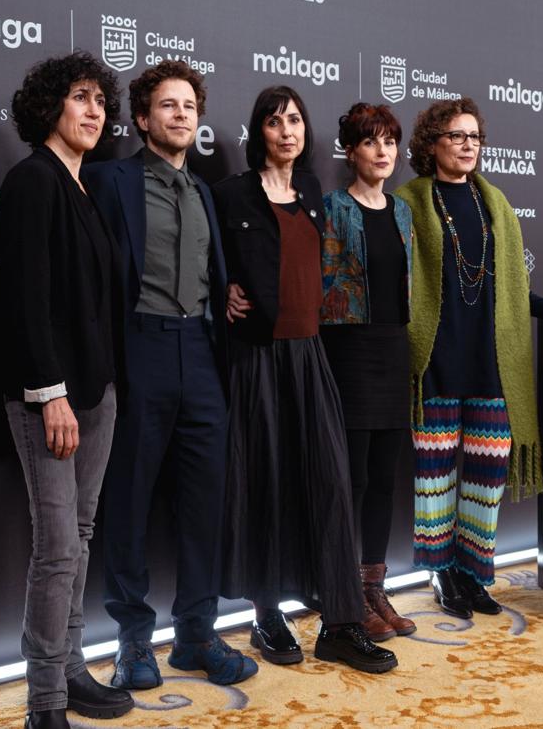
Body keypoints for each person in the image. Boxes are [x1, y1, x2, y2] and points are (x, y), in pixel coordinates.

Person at [394, 97, 543, 620]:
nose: (468, 145)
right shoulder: (409, 202)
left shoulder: (497, 206)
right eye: (456, 136)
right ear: (431, 145)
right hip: (435, 361)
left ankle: (473, 572)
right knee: (435, 477)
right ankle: (443, 574)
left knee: (486, 478)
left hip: (492, 362)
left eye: (475, 137)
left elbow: (515, 289)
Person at [82, 60, 258, 690]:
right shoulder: (108, 179)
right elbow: (55, 210)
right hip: (140, 351)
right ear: (140, 118)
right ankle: (133, 640)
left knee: (204, 503)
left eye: (189, 105)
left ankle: (196, 635)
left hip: (204, 357)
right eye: (167, 105)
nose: (181, 114)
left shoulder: (206, 191)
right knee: (127, 501)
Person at [213, 86, 397, 674]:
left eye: (294, 120)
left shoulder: (314, 192)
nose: (286, 131)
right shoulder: (229, 194)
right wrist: (223, 290)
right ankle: (267, 615)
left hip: (311, 356)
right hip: (257, 360)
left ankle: (341, 625)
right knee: (267, 483)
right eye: (273, 121)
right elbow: (206, 260)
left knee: (332, 487)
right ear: (258, 131)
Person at [0, 52, 133, 729]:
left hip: (96, 392)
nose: (95, 109)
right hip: (53, 397)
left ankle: (71, 668)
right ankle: (45, 701)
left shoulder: (81, 185)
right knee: (57, 548)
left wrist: (97, 390)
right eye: (81, 96)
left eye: (102, 99)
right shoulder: (31, 181)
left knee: (78, 533)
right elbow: (25, 301)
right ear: (51, 105)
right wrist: (51, 393)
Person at [319, 103, 417, 642]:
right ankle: (345, 592)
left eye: (389, 142)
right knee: (350, 479)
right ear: (351, 151)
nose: (383, 152)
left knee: (383, 479)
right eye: (370, 142)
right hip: (348, 348)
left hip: (392, 347)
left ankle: (373, 584)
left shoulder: (400, 212)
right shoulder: (332, 207)